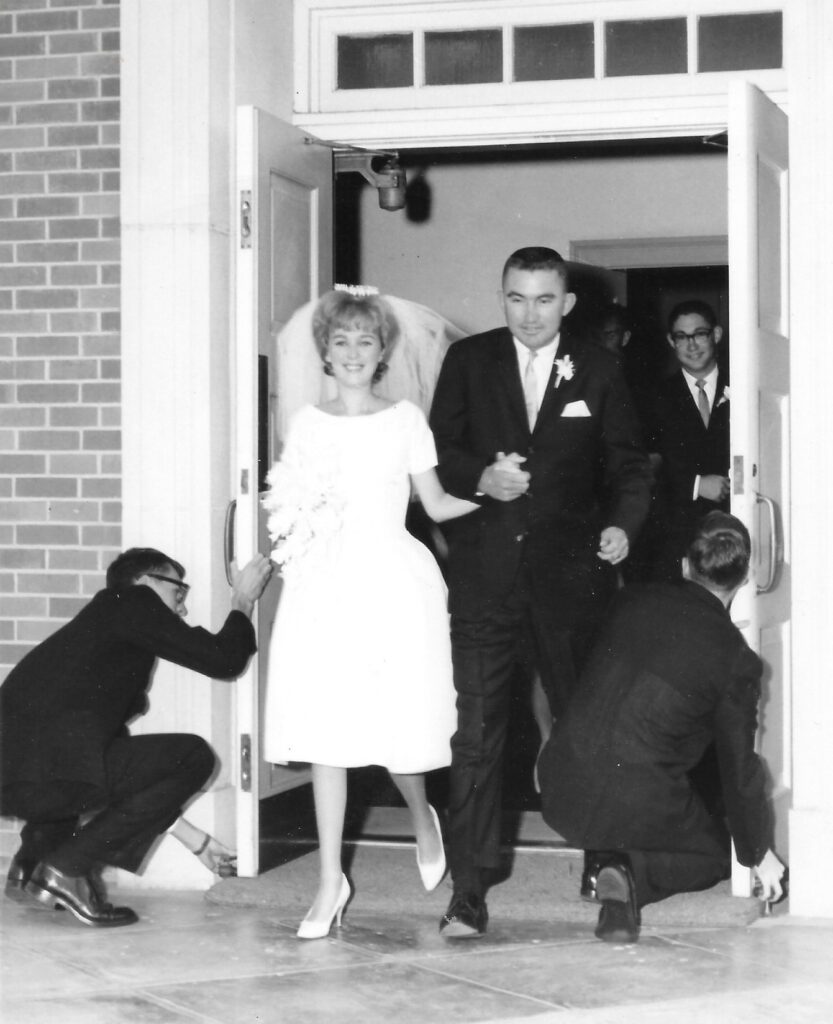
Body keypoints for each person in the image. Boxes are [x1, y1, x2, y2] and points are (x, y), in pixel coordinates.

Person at [429, 246, 652, 937]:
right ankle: (468, 890)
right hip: (484, 582)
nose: (529, 314)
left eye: (544, 300)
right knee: (476, 737)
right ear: (502, 298)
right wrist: (478, 479)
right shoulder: (469, 362)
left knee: (584, 731)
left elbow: (631, 468)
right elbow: (436, 451)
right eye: (515, 299)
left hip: (569, 584)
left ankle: (606, 866)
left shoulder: (600, 367)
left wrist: (620, 526)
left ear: (568, 303)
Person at [262, 287, 479, 940]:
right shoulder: (306, 423)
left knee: (394, 727)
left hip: (391, 583)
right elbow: (292, 510)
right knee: (328, 732)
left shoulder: (405, 419)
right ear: (324, 352)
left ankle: (419, 815)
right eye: (340, 341)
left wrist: (499, 498)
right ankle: (331, 879)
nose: (352, 352)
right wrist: (269, 562)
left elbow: (436, 506)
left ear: (382, 351)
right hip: (323, 585)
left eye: (364, 341)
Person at [539, 512, 786, 944]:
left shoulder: (632, 601)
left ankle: (608, 856)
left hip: (560, 782)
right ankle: (625, 874)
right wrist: (757, 851)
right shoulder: (735, 659)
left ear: (685, 565)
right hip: (631, 793)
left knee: (638, 771)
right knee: (712, 855)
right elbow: (738, 767)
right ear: (744, 578)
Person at [0, 547, 272, 927]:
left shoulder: (100, 635)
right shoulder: (130, 601)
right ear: (145, 582)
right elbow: (222, 659)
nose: (182, 609)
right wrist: (242, 601)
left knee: (86, 764)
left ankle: (30, 866)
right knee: (192, 756)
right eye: (179, 593)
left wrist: (195, 840)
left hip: (17, 780)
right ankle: (67, 870)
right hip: (44, 775)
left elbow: (123, 778)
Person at [649, 299, 730, 582]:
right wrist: (696, 484)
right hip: (678, 535)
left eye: (700, 334)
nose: (692, 345)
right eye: (682, 337)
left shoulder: (747, 386)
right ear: (672, 341)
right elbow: (642, 468)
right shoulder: (654, 397)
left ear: (716, 335)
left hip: (736, 527)